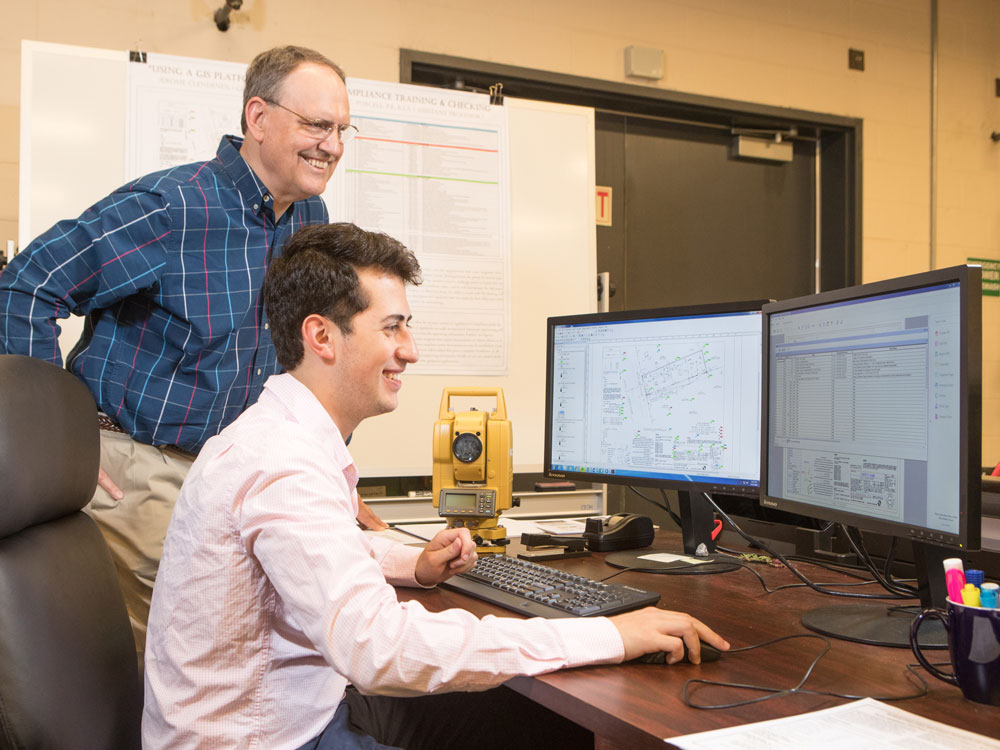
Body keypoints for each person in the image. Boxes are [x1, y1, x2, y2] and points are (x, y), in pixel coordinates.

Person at [142, 222, 730, 750]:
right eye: (392, 327)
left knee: (532, 727)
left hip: (293, 719)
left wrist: (409, 564)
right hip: (271, 740)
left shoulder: (273, 437)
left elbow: (308, 548)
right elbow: (378, 649)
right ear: (321, 337)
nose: (411, 351)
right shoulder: (283, 464)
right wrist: (604, 634)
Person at [0, 45, 386, 666]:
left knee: (297, 639)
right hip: (145, 467)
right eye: (317, 125)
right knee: (203, 666)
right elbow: (27, 284)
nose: (333, 145)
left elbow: (298, 355)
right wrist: (53, 445)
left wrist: (325, 474)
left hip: (235, 470)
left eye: (342, 129)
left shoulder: (307, 218)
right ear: (258, 119)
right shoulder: (172, 208)